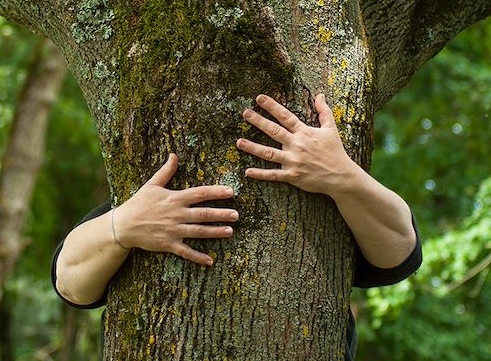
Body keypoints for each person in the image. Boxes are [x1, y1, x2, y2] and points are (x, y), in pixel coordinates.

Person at [51, 93, 422, 359]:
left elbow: (401, 251)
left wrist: (342, 176)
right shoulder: (146, 204)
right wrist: (125, 224)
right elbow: (68, 282)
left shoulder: (332, 213)